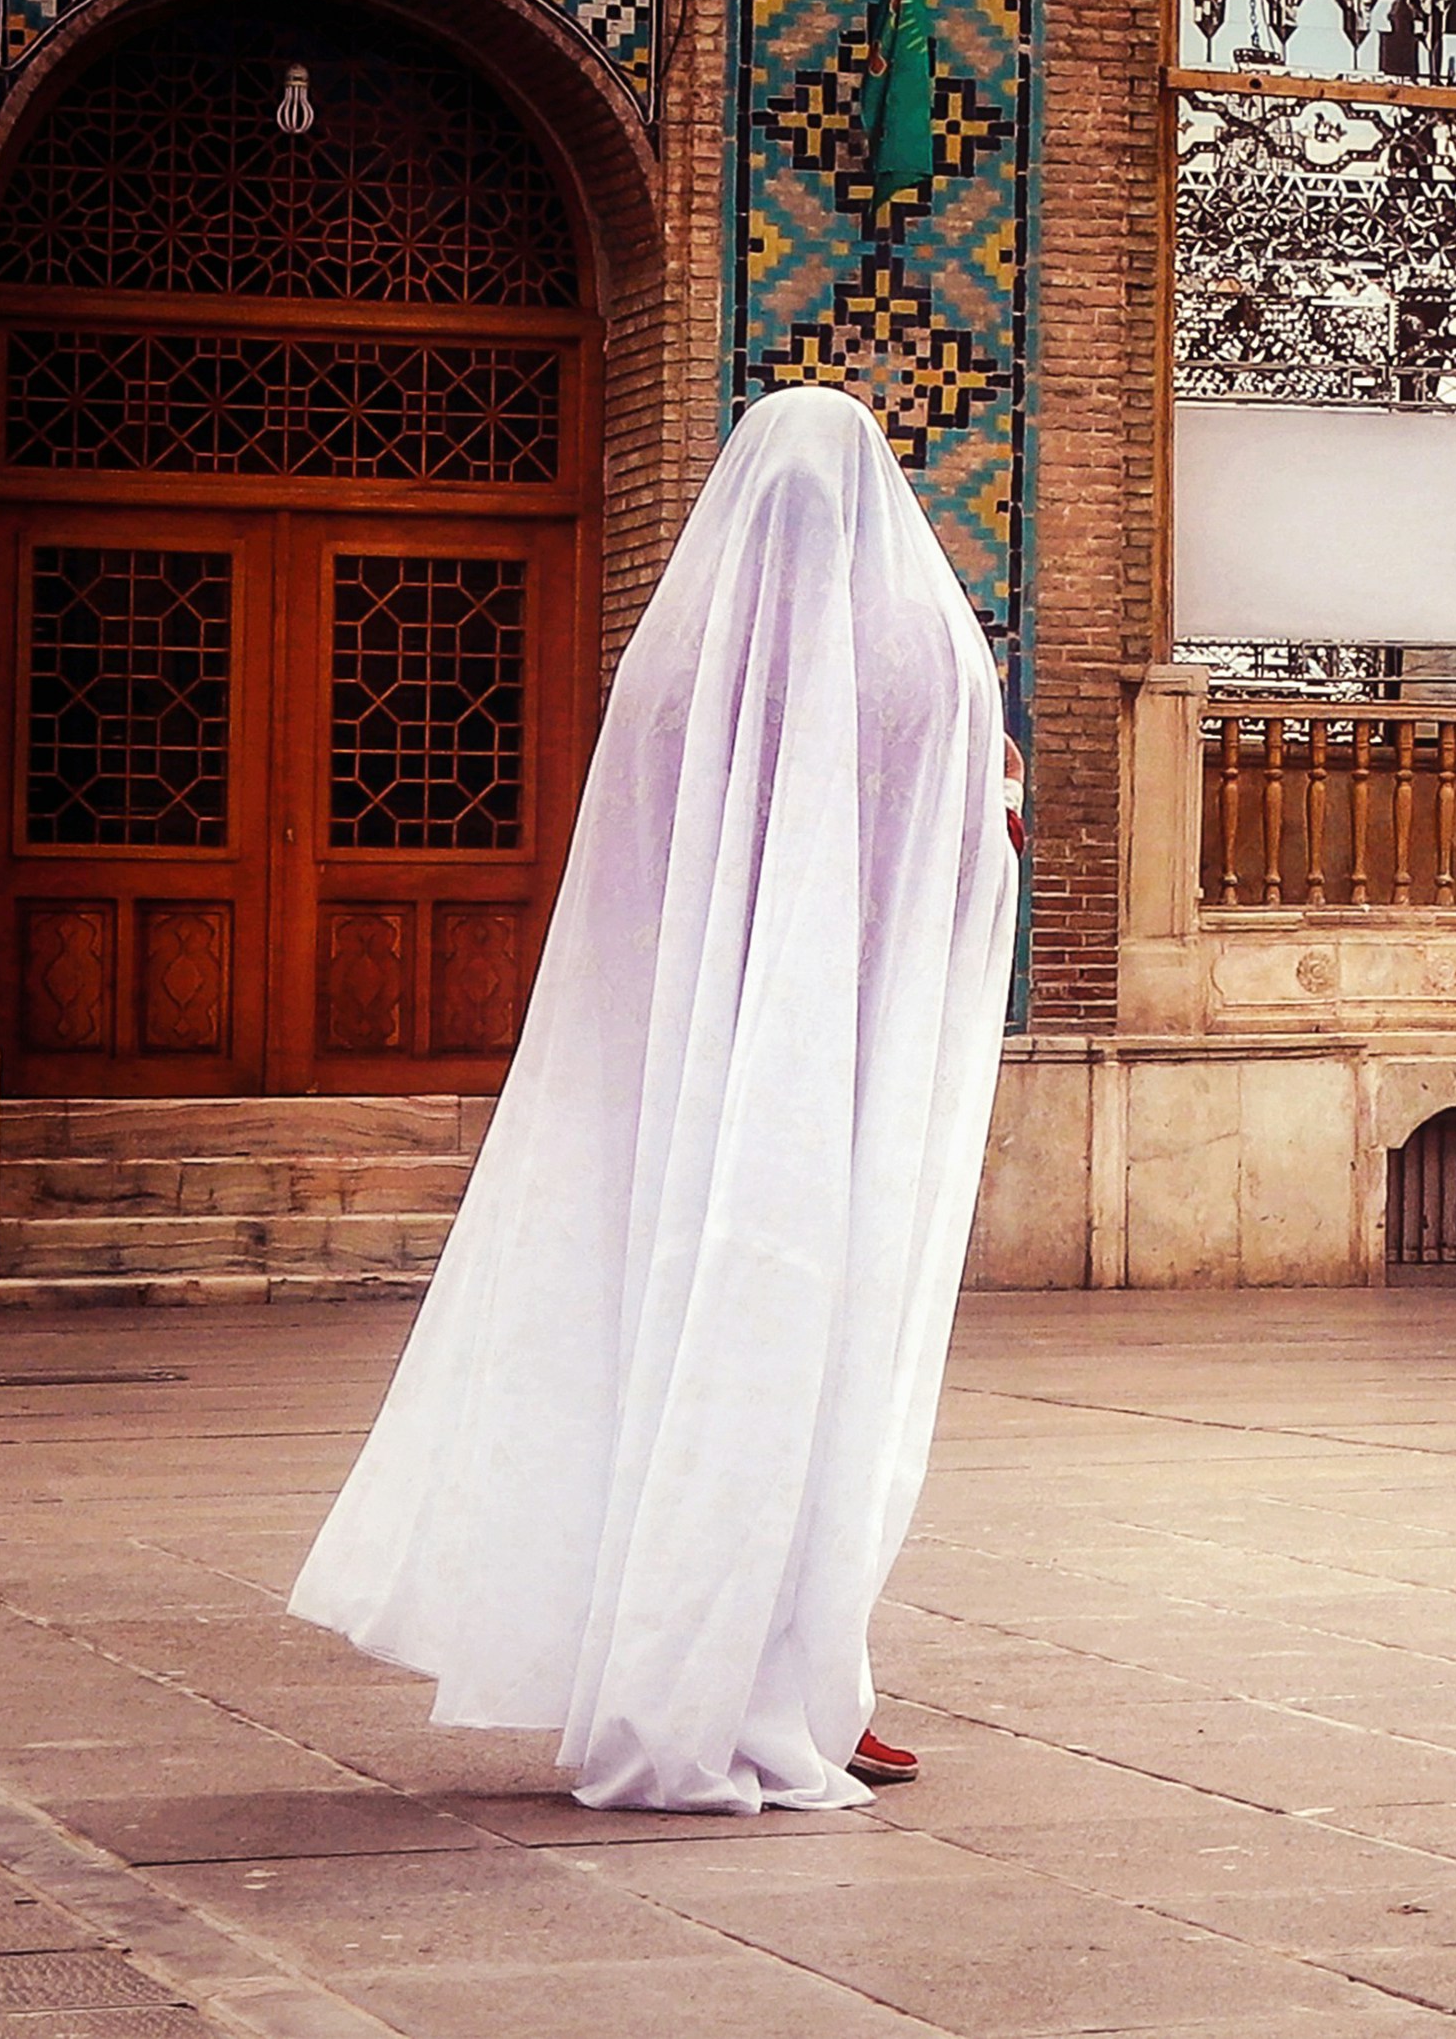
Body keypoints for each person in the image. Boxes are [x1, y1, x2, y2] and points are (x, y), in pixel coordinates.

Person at [290, 385, 1024, 1813]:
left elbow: (631, 884)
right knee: (814, 1373)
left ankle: (723, 1674)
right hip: (836, 1097)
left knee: (673, 1361)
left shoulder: (672, 660)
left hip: (680, 1088)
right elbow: (972, 846)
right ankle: (795, 1683)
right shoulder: (925, 646)